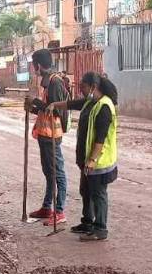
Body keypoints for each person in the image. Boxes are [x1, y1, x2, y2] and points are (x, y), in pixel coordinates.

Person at [47, 72, 118, 241]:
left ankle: (100, 229)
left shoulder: (104, 106)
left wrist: (92, 159)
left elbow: (100, 139)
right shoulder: (90, 102)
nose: (81, 91)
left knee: (98, 194)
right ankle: (87, 222)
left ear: (93, 87)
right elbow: (71, 103)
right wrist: (53, 105)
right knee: (85, 191)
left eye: (83, 87)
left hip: (99, 161)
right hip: (87, 159)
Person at [24, 48, 69, 227]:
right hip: (44, 135)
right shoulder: (47, 82)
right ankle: (47, 207)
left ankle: (59, 211)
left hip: (52, 136)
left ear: (39, 65)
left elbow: (57, 109)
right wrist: (33, 108)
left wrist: (36, 102)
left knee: (57, 173)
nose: (33, 68)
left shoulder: (55, 82)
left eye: (34, 65)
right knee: (48, 172)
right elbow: (46, 110)